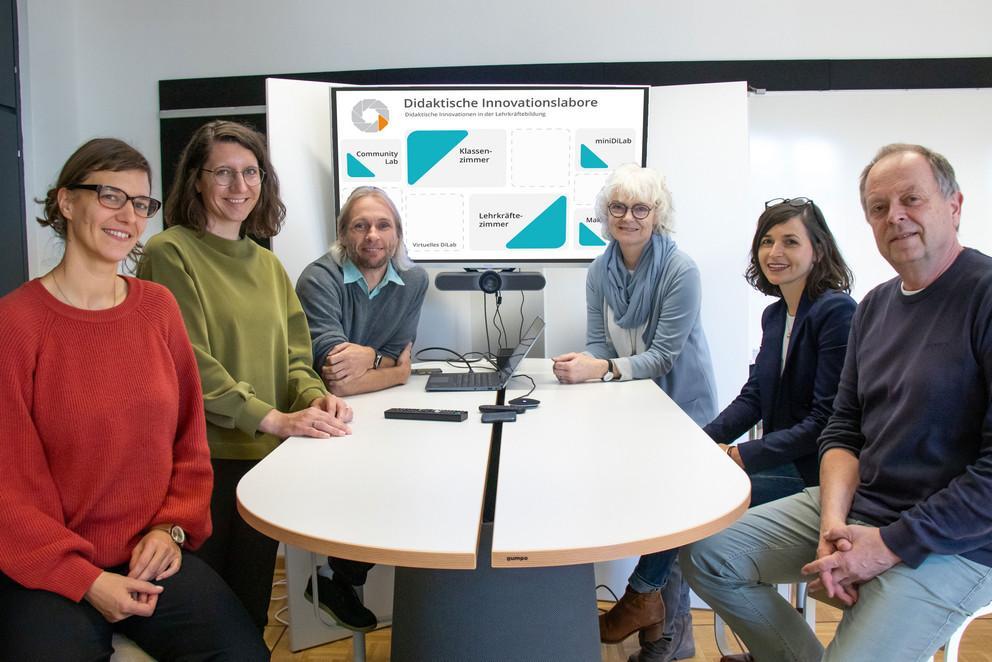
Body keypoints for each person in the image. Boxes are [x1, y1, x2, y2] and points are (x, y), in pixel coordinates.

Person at [682, 144, 992, 662]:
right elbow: (842, 429)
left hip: (954, 541)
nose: (895, 216)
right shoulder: (875, 306)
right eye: (878, 207)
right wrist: (833, 525)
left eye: (911, 199)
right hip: (860, 506)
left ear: (954, 205)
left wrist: (888, 544)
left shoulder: (982, 297)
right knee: (710, 555)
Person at [0, 138, 268, 659]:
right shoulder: (15, 325)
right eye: (109, 195)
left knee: (244, 654)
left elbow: (189, 443)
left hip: (151, 552)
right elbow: (8, 488)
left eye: (141, 204)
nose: (128, 215)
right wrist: (85, 579)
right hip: (45, 568)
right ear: (66, 202)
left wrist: (171, 531)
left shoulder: (156, 308)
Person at [137, 120, 353, 632]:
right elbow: (188, 362)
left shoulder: (268, 264)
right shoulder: (169, 252)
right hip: (200, 465)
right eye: (224, 173)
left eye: (250, 172)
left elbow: (296, 357)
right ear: (196, 180)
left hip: (263, 464)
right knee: (207, 619)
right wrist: (274, 418)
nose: (240, 187)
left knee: (249, 609)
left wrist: (316, 398)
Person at [552, 163, 718, 661]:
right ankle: (658, 634)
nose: (628, 217)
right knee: (653, 518)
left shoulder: (680, 269)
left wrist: (599, 368)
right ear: (605, 215)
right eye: (618, 207)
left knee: (673, 521)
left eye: (640, 208)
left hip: (682, 410)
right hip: (632, 407)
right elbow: (598, 340)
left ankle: (668, 637)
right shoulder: (599, 270)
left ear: (657, 214)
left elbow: (664, 355)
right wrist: (591, 367)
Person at [295, 186, 428, 631]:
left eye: (383, 225)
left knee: (411, 464)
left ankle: (346, 579)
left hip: (376, 406)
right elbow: (336, 378)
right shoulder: (319, 279)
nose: (373, 235)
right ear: (343, 234)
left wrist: (371, 359)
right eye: (361, 225)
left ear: (397, 235)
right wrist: (393, 371)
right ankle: (338, 578)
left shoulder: (413, 281)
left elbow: (396, 348)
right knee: (367, 477)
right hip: (328, 409)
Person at [704, 198, 855, 507]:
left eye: (790, 242)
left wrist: (739, 454)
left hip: (813, 469)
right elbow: (755, 396)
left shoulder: (836, 311)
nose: (774, 253)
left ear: (819, 250)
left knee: (702, 494)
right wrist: (702, 441)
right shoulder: (774, 316)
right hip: (780, 459)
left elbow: (825, 419)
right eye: (767, 241)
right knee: (691, 476)